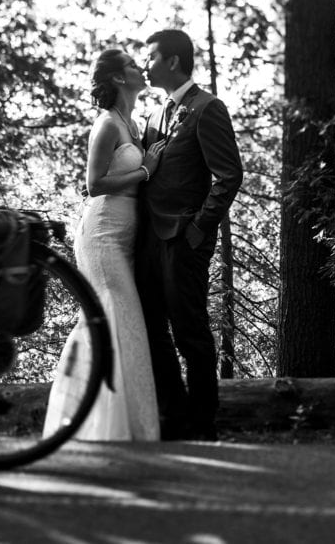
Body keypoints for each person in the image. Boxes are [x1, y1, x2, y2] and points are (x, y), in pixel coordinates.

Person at [44, 48, 165, 441]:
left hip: (127, 237)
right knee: (111, 314)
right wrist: (145, 170)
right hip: (102, 234)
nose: (140, 68)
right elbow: (94, 184)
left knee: (121, 319)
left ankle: (117, 419)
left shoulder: (135, 124)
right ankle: (98, 422)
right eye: (132, 64)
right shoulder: (107, 124)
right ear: (117, 77)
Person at [137, 29, 243, 441]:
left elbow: (229, 175)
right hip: (147, 241)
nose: (145, 65)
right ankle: (173, 416)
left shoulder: (207, 108)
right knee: (151, 329)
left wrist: (199, 229)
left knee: (190, 332)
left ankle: (202, 423)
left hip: (184, 240)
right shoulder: (153, 116)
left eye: (150, 57)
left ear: (173, 61)